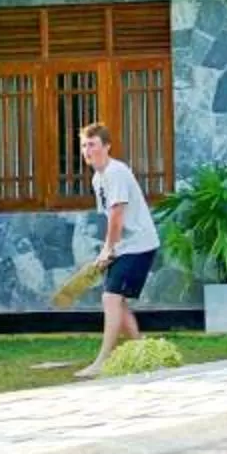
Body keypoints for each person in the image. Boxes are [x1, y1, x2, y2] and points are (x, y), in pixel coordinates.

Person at [75, 120, 160, 378]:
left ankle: (103, 360)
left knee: (111, 298)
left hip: (140, 245)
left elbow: (117, 216)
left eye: (92, 144)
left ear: (107, 146)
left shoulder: (116, 172)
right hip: (125, 247)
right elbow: (110, 218)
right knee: (116, 301)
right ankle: (144, 354)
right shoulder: (98, 178)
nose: (87, 150)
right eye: (84, 146)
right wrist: (109, 249)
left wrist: (107, 249)